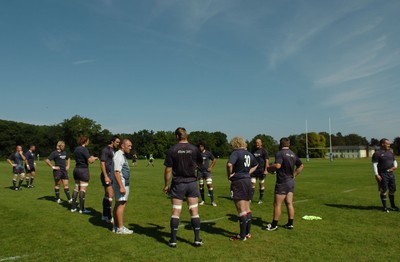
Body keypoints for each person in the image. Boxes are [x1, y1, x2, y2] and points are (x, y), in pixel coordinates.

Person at [164, 127, 204, 248]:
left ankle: (173, 240)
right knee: (194, 211)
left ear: (177, 136)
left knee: (176, 211)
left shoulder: (172, 149)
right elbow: (201, 165)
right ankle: (197, 239)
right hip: (192, 183)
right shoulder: (194, 149)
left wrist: (166, 184)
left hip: (178, 184)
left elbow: (168, 170)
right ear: (186, 136)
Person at [263, 137, 304, 231]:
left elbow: (278, 165)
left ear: (280, 144)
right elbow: (301, 165)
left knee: (277, 204)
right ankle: (290, 223)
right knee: (289, 203)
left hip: (282, 182)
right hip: (291, 181)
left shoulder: (280, 153)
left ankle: (274, 225)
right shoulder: (293, 154)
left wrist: (269, 168)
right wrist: (294, 175)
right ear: (289, 144)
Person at [227, 137, 258, 241]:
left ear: (235, 144)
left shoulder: (236, 153)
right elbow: (256, 164)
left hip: (239, 182)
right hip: (247, 181)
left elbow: (229, 164)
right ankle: (248, 233)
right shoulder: (248, 153)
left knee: (241, 209)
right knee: (247, 208)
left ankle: (242, 236)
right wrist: (247, 172)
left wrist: (229, 175)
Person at [71, 136, 98, 214]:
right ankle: (82, 209)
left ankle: (73, 207)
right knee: (83, 189)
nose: (88, 142)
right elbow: (90, 161)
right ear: (85, 141)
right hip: (83, 170)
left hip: (76, 169)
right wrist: (94, 158)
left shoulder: (76, 149)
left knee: (76, 187)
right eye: (88, 141)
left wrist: (90, 157)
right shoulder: (84, 149)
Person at [112, 138, 134, 234]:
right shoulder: (119, 156)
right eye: (128, 146)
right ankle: (120, 228)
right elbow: (117, 172)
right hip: (121, 184)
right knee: (121, 204)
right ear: (122, 146)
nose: (130, 148)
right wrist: (121, 186)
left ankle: (116, 226)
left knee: (118, 204)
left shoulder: (121, 155)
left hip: (123, 183)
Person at [372, 138, 398, 212]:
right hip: (382, 174)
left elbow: (394, 161)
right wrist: (376, 174)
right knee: (384, 190)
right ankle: (385, 207)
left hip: (391, 174)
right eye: (388, 144)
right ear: (382, 144)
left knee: (392, 190)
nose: (389, 145)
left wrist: (395, 167)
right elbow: (374, 164)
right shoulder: (377, 153)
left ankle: (393, 206)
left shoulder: (390, 152)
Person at [100, 135, 120, 223]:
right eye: (117, 142)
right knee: (110, 195)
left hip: (110, 175)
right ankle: (109, 216)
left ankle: (104, 215)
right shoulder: (106, 150)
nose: (118, 144)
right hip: (107, 175)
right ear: (112, 141)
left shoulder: (113, 150)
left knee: (107, 195)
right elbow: (102, 163)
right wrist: (105, 176)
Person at [197, 141, 217, 206]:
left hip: (207, 172)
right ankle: (203, 201)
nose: (200, 147)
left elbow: (214, 160)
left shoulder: (208, 153)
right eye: (199, 146)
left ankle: (213, 201)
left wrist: (210, 167)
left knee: (209, 184)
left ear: (204, 146)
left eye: (201, 146)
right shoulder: (197, 153)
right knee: (201, 186)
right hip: (200, 172)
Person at [251, 139, 270, 204]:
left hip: (261, 170)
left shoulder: (264, 151)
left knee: (261, 184)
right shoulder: (253, 150)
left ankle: (260, 199)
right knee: (252, 183)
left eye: (258, 143)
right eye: (256, 143)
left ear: (261, 143)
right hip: (254, 170)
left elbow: (267, 161)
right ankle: (250, 199)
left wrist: (266, 170)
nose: (257, 144)